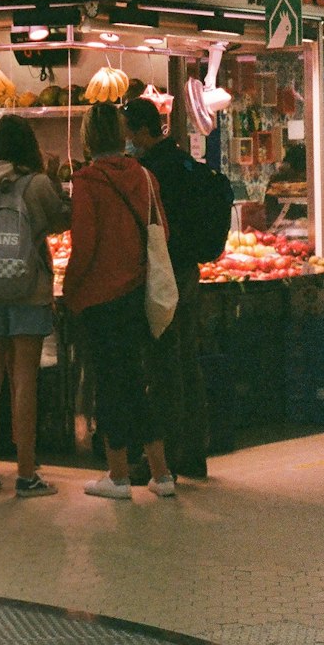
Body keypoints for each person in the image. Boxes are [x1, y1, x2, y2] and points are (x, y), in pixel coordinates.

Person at [63, 103, 175, 502]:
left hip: (100, 297)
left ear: (89, 138)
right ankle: (161, 474)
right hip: (137, 293)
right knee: (137, 382)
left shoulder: (88, 181)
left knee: (109, 385)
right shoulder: (144, 176)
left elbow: (85, 247)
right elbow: (160, 228)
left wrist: (70, 291)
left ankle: (118, 474)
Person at [0, 115, 69, 498]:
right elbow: (60, 221)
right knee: (24, 377)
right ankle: (26, 473)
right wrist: (56, 182)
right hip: (28, 287)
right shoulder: (37, 183)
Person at [123, 97, 209, 479]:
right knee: (187, 362)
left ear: (141, 131)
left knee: (160, 363)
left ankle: (161, 456)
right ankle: (193, 452)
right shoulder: (184, 161)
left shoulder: (148, 171)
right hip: (189, 271)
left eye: (129, 131)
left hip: (161, 274)